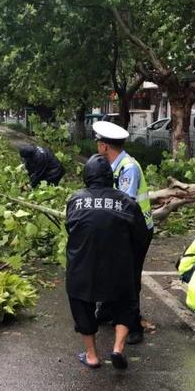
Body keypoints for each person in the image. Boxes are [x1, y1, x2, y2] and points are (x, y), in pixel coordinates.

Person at [65, 155, 148, 370]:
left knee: (81, 304)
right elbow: (140, 235)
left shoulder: (75, 201)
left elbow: (71, 230)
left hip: (83, 268)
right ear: (111, 177)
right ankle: (118, 349)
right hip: (118, 267)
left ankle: (92, 356)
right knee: (126, 303)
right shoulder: (127, 203)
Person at [92, 120, 154, 344]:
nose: (97, 146)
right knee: (110, 269)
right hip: (121, 229)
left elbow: (124, 205)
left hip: (136, 230)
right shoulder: (109, 164)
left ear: (105, 146)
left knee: (129, 277)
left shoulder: (128, 168)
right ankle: (108, 310)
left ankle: (133, 325)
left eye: (98, 143)